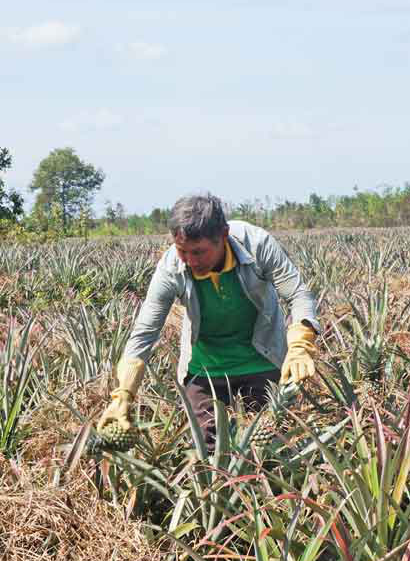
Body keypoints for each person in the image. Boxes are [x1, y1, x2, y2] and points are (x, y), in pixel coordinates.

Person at [96, 193, 320, 450]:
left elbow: (298, 294)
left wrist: (301, 344)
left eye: (199, 252)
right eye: (183, 251)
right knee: (208, 455)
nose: (190, 261)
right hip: (205, 369)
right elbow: (144, 333)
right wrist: (123, 393)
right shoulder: (171, 267)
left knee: (269, 451)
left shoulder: (257, 244)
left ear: (223, 236)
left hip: (261, 359)